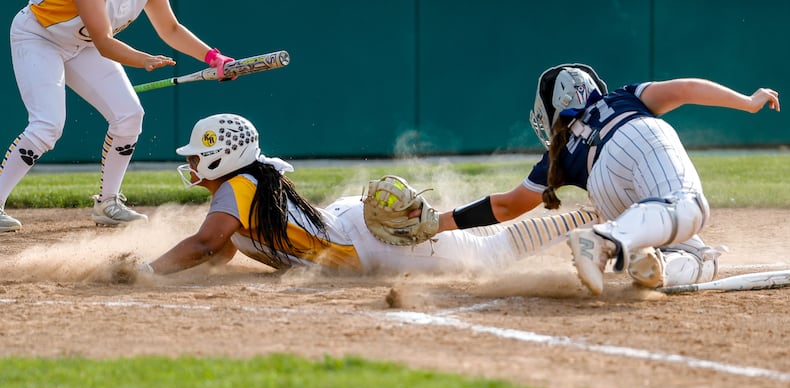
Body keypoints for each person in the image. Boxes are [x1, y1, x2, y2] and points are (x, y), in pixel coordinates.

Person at [434, 63, 780, 295]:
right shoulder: (623, 97)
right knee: (690, 207)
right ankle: (606, 240)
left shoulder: (560, 152)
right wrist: (748, 102)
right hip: (638, 135)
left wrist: (436, 223)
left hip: (603, 189)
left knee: (700, 256)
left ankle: (653, 266)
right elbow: (686, 89)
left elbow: (506, 206)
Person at [137, 113, 598, 276]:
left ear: (223, 158)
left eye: (199, 155)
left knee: (492, 252)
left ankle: (593, 219)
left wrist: (146, 272)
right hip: (351, 226)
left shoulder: (238, 188)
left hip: (370, 238)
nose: (193, 162)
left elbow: (204, 244)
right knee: (488, 249)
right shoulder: (247, 184)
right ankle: (590, 218)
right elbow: (217, 252)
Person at [0, 0, 236, 233]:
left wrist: (214, 58)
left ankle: (107, 204)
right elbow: (104, 42)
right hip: (39, 37)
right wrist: (143, 59)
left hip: (83, 44)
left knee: (129, 115)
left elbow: (171, 29)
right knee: (47, 125)